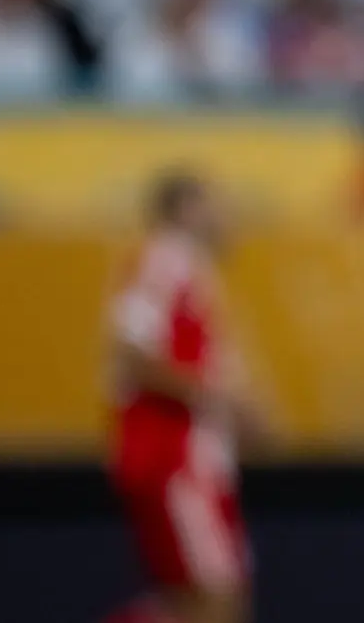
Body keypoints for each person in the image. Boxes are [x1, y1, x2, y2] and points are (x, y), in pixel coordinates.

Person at [106, 171, 267, 623]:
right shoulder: (165, 259)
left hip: (191, 463)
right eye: (213, 202)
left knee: (201, 601)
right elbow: (131, 351)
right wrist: (221, 397)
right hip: (174, 459)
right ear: (184, 209)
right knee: (217, 600)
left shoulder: (194, 272)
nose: (226, 215)